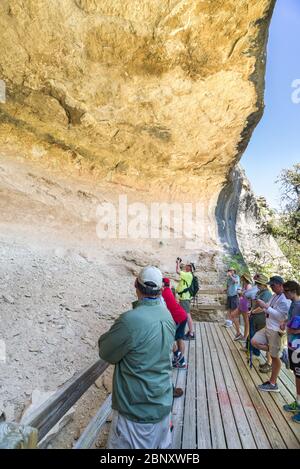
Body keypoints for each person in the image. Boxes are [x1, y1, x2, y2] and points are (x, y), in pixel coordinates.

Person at [98, 266, 176, 449]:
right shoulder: (168, 316)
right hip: (162, 404)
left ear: (136, 286)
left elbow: (105, 351)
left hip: (135, 411)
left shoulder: (129, 320)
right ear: (162, 291)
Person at [252, 276, 291, 393]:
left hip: (276, 330)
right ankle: (280, 351)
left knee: (274, 358)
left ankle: (273, 383)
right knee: (254, 341)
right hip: (268, 327)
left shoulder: (285, 299)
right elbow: (268, 307)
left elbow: (282, 317)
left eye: (273, 285)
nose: (271, 287)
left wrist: (265, 307)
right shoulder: (275, 295)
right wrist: (261, 307)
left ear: (280, 285)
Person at [242, 274, 273, 372]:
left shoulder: (267, 294)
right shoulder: (261, 291)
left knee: (255, 334)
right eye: (257, 283)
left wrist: (252, 311)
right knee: (251, 333)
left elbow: (263, 307)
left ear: (264, 284)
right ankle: (250, 349)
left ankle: (255, 353)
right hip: (254, 316)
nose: (257, 284)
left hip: (260, 318)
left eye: (259, 283)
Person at [282, 281, 300, 424]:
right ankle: (298, 402)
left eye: (286, 291)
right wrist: (286, 322)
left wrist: (297, 331)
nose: (284, 294)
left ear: (293, 291)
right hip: (292, 345)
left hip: (298, 346)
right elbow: (292, 318)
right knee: (297, 374)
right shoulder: (293, 304)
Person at [162, 277, 188, 369]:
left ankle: (180, 360)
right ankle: (179, 361)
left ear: (163, 284)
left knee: (171, 338)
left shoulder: (163, 293)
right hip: (181, 316)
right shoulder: (168, 290)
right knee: (179, 338)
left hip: (178, 317)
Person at [231, 272, 254, 341]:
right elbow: (242, 295)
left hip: (245, 304)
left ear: (245, 278)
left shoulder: (249, 285)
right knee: (233, 315)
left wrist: (241, 293)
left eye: (242, 278)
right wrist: (240, 294)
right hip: (242, 303)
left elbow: (249, 296)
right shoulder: (244, 285)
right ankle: (238, 333)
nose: (241, 279)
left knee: (246, 321)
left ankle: (245, 337)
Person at [176, 258, 195, 340]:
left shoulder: (188, 275)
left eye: (187, 266)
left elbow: (177, 271)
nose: (185, 266)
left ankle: (191, 333)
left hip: (185, 298)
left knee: (187, 315)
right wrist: (179, 263)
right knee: (185, 314)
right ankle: (189, 331)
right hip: (184, 298)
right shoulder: (187, 274)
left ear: (190, 268)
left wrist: (177, 263)